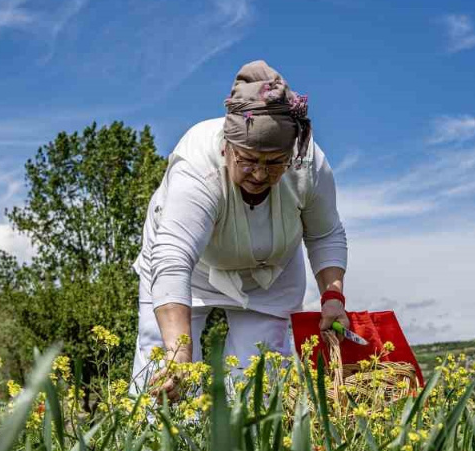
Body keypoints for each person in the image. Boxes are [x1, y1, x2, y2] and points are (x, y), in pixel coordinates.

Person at [130, 59, 349, 401]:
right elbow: (173, 260)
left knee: (260, 379)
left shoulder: (309, 165)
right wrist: (178, 354)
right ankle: (161, 447)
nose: (260, 175)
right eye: (248, 160)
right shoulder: (197, 168)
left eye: (275, 162)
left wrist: (333, 297)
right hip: (190, 270)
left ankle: (251, 449)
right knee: (165, 365)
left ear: (291, 153)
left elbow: (325, 234)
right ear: (226, 147)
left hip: (270, 272)